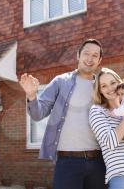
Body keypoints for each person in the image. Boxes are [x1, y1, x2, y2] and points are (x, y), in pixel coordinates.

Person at [19, 39, 106, 189]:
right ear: (78, 55)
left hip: (98, 161)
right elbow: (38, 114)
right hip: (68, 162)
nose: (90, 59)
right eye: (86, 54)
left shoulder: (102, 87)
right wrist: (32, 96)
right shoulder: (61, 82)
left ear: (99, 60)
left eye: (95, 55)